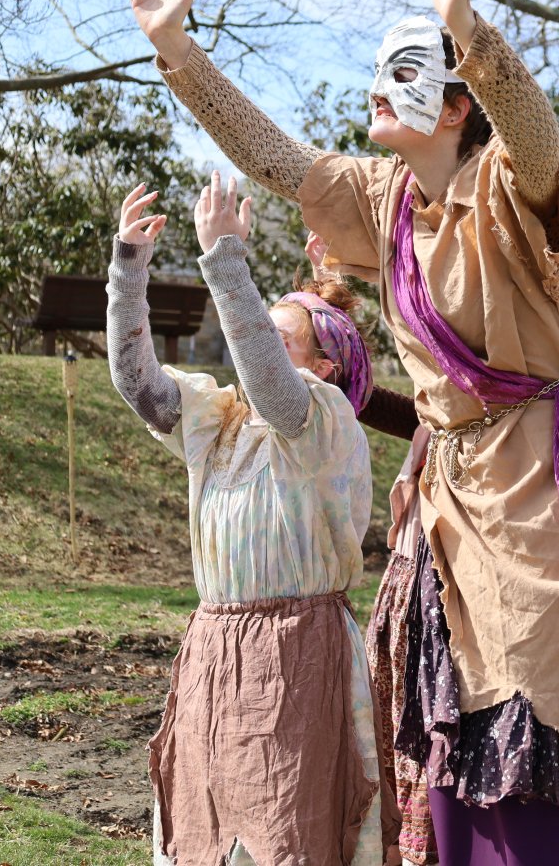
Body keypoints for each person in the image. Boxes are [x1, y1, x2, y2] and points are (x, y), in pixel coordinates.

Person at [120, 0, 559, 863]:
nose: (376, 92)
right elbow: (276, 159)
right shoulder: (384, 199)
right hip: (458, 497)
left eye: (406, 74)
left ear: (453, 107)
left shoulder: (512, 191)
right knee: (466, 732)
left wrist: (467, 27)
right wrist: (178, 51)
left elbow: (535, 136)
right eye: (376, 74)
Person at [106, 177, 382, 864]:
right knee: (206, 833)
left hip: (299, 652)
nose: (253, 344)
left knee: (293, 832)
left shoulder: (322, 416)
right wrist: (127, 268)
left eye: (275, 337)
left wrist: (226, 259)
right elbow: (137, 384)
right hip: (214, 649)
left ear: (324, 363)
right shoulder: (218, 417)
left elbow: (271, 382)